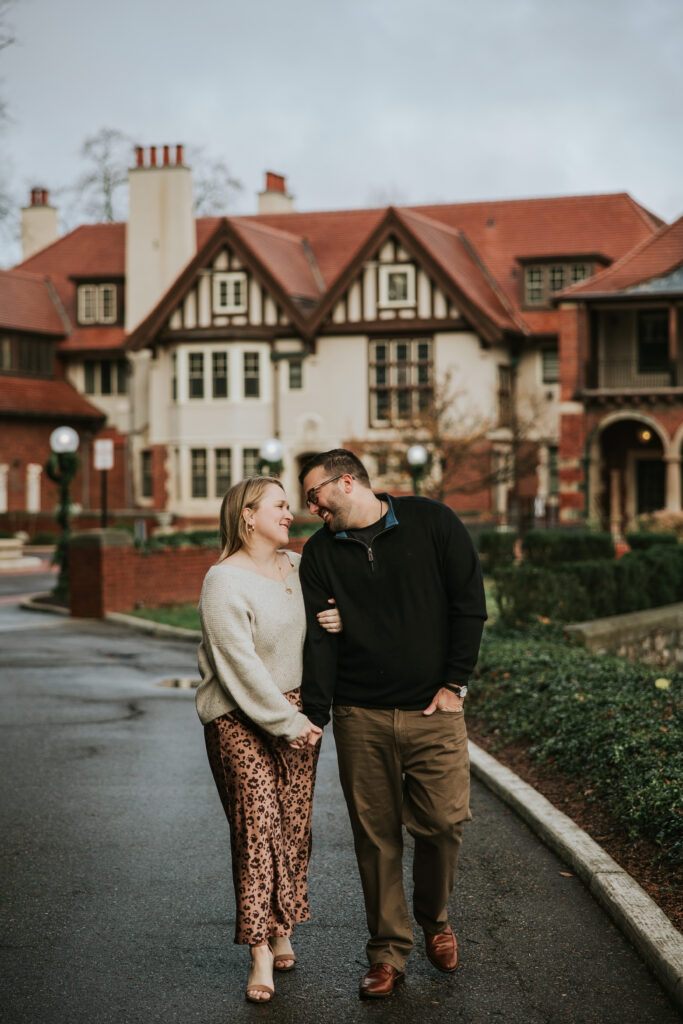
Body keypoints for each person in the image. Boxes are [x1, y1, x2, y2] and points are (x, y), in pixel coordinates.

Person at [298, 449, 487, 999]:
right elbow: (318, 635)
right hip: (361, 715)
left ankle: (436, 918)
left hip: (434, 713)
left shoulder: (433, 521)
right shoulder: (318, 552)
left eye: (315, 496)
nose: (312, 509)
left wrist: (454, 686)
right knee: (375, 840)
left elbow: (468, 605)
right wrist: (318, 713)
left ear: (347, 481)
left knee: (444, 824)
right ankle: (387, 953)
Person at [195, 476, 342, 1004]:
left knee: (293, 824)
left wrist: (335, 617)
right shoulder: (223, 582)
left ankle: (284, 923)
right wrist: (286, 721)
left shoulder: (299, 568)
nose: (290, 513)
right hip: (240, 715)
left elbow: (324, 622)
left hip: (297, 709)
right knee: (258, 824)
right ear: (248, 515)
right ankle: (260, 947)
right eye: (279, 506)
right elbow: (239, 667)